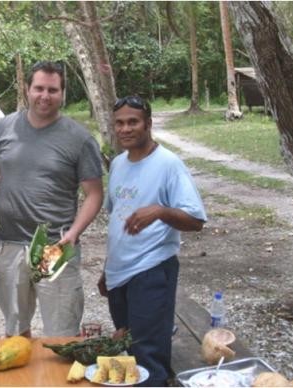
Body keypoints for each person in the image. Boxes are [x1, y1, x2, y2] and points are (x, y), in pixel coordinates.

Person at [0, 61, 104, 337]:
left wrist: (74, 234)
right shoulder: (4, 128)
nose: (45, 96)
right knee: (16, 334)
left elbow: (95, 194)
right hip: (9, 245)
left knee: (62, 335)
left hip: (55, 247)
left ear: (62, 93)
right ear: (27, 89)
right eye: (38, 88)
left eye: (53, 90)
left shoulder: (79, 138)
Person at [98, 95, 207, 386]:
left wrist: (160, 211)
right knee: (128, 349)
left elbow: (196, 220)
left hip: (151, 271)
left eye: (133, 122)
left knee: (149, 357)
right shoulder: (119, 164)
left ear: (148, 123)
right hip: (120, 274)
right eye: (119, 123)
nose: (125, 129)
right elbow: (118, 219)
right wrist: (107, 268)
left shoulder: (168, 164)